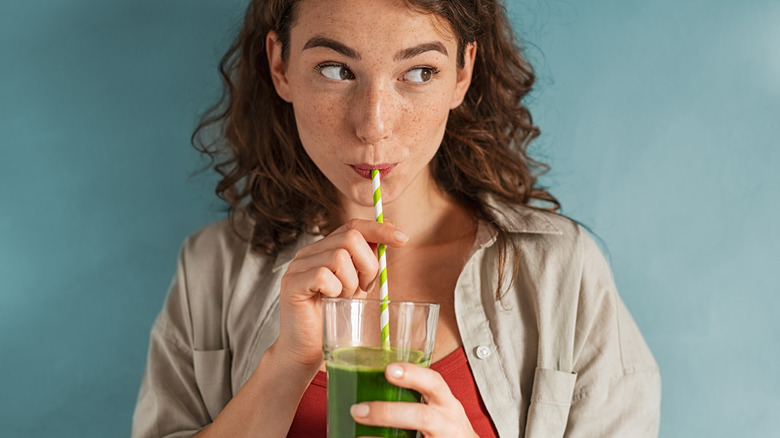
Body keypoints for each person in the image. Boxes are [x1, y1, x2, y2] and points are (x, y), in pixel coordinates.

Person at [131, 0, 661, 436]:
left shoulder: (562, 272)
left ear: (462, 73)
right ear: (280, 66)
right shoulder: (211, 268)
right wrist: (285, 365)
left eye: (419, 72)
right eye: (336, 70)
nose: (374, 125)